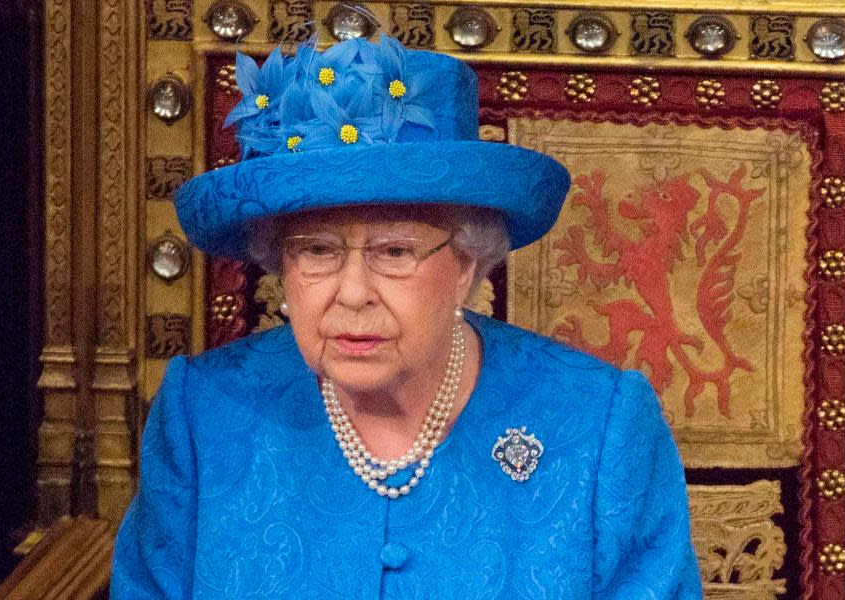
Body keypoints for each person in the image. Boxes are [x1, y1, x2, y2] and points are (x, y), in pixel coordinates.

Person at [111, 32, 703, 599]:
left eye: (393, 252)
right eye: (317, 250)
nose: (352, 293)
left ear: (466, 264)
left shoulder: (601, 425)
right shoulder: (204, 414)